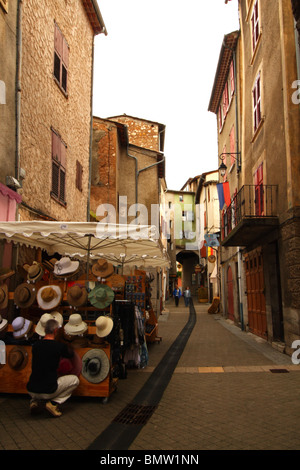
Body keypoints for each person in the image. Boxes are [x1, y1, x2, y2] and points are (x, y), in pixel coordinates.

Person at [27, 318, 79, 417]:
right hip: (49, 389)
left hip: (31, 389)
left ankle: (34, 402)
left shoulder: (36, 345)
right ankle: (53, 404)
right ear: (55, 331)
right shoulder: (59, 346)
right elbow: (70, 354)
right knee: (75, 380)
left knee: (39, 375)